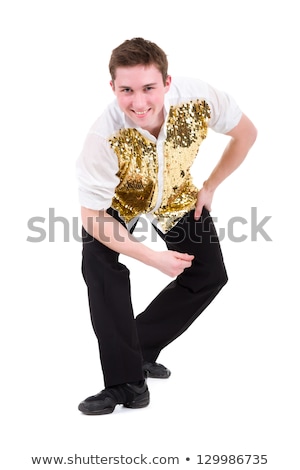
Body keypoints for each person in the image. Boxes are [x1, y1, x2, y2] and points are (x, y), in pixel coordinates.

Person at [76, 37, 257, 415]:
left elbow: (246, 134)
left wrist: (210, 186)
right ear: (113, 88)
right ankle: (126, 384)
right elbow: (92, 217)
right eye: (126, 90)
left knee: (208, 275)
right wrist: (151, 257)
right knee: (98, 265)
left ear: (167, 83)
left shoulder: (200, 99)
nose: (138, 103)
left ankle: (137, 347)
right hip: (116, 203)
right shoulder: (102, 137)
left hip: (173, 193)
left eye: (148, 88)